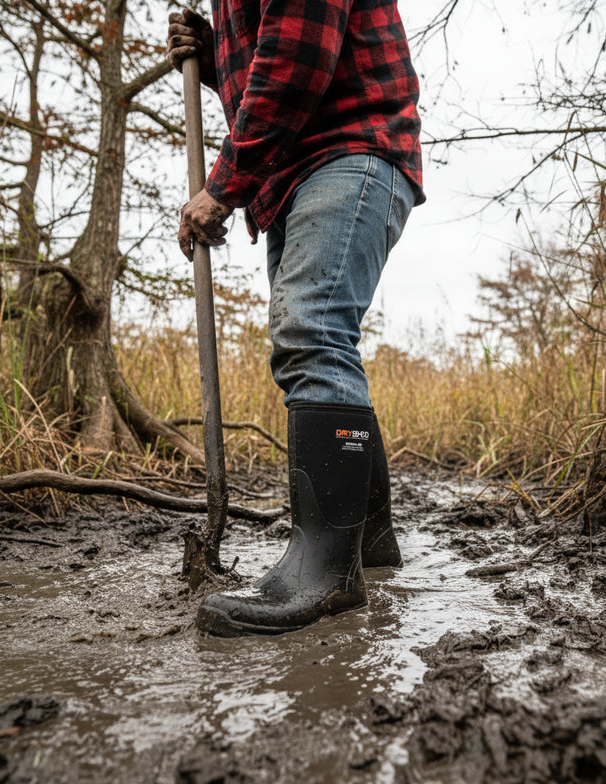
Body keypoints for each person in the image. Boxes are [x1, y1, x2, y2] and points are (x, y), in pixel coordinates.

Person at [167, 0, 424, 637]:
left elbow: (297, 59)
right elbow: (273, 61)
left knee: (311, 332)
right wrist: (212, 60)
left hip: (346, 153)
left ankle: (326, 576)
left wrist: (222, 186)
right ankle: (367, 542)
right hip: (296, 173)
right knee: (318, 340)